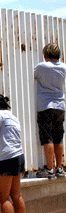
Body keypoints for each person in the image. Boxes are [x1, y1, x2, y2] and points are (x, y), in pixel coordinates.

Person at [34, 43, 66, 178]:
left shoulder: (42, 66)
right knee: (58, 137)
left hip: (46, 106)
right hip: (60, 106)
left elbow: (33, 76)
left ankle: (49, 169)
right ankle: (59, 168)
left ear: (46, 55)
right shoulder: (64, 67)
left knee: (47, 137)